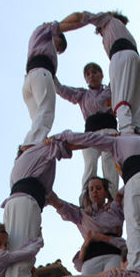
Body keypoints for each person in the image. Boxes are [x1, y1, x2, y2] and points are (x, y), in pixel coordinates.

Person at [52, 130, 140, 277]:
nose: (94, 192)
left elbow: (87, 138)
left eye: (98, 188)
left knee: (136, 226)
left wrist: (59, 138)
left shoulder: (118, 141)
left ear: (106, 192)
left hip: (114, 252)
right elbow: (62, 206)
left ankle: (138, 273)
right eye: (91, 189)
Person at [0, 139, 74, 277]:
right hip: (25, 202)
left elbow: (55, 200)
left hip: (23, 203)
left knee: (18, 257)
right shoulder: (28, 162)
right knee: (20, 259)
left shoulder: (26, 172)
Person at [60, 11, 140, 136]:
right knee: (137, 104)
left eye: (101, 33)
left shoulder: (107, 20)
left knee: (120, 99)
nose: (102, 35)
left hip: (120, 55)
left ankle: (127, 132)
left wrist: (58, 27)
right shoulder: (125, 32)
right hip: (136, 60)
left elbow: (80, 16)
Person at [55, 63, 119, 196]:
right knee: (90, 165)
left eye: (95, 72)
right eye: (88, 74)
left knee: (109, 164)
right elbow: (61, 90)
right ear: (85, 79)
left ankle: (112, 200)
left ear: (101, 75)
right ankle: (86, 202)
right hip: (90, 134)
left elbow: (121, 78)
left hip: (110, 131)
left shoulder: (111, 89)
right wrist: (49, 74)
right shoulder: (82, 95)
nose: (92, 76)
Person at [21, 18, 81, 146]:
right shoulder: (45, 30)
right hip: (41, 73)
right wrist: (80, 21)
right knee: (46, 111)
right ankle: (31, 145)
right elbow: (58, 26)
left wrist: (69, 94)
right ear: (57, 36)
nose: (57, 50)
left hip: (30, 79)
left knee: (38, 119)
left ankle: (35, 145)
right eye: (59, 46)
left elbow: (57, 86)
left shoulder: (38, 42)